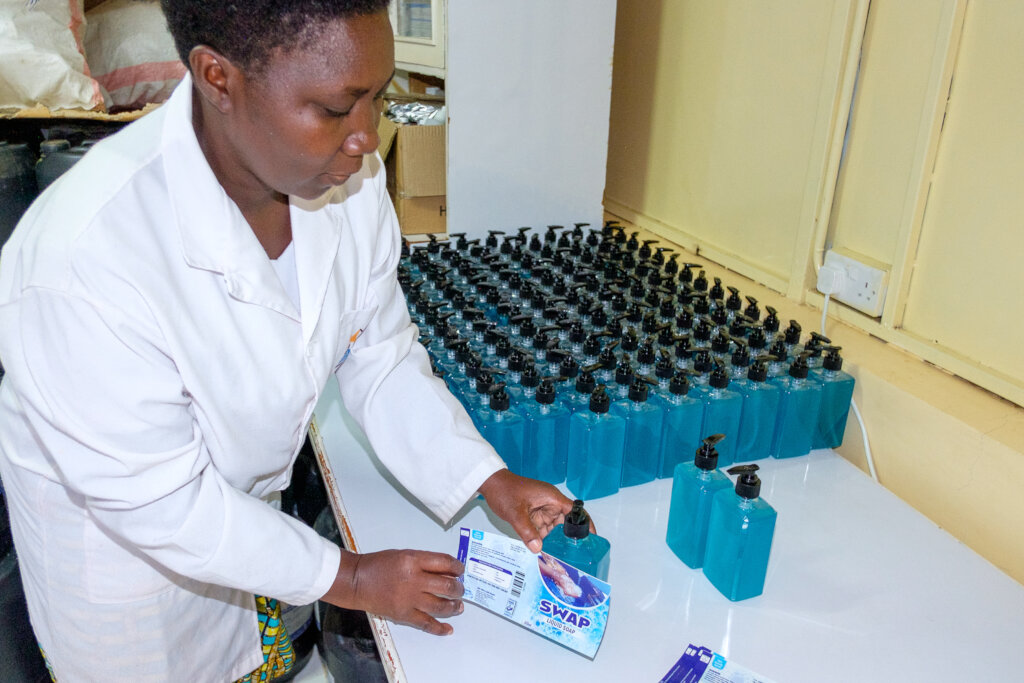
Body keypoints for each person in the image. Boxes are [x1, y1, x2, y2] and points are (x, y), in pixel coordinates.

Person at [0, 1, 575, 680]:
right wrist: (354, 577)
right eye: (335, 109)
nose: (366, 137)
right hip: (136, 585)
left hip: (248, 533)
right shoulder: (83, 262)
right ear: (219, 77)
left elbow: (380, 356)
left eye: (378, 97)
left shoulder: (346, 185)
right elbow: (169, 507)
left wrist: (487, 477)